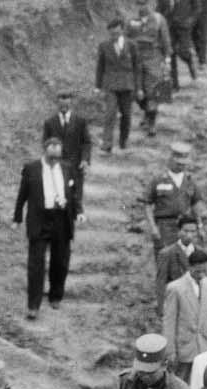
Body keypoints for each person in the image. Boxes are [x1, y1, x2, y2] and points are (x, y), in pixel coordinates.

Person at [14, 136, 85, 320]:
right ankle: (33, 305)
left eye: (57, 156)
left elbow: (74, 194)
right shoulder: (31, 168)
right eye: (51, 156)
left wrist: (78, 211)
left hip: (61, 220)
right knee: (36, 263)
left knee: (60, 260)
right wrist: (17, 217)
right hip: (40, 220)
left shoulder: (67, 168)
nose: (54, 160)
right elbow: (22, 194)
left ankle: (55, 295)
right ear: (45, 151)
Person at [160, 249, 207, 383]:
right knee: (182, 384)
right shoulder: (175, 288)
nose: (201, 274)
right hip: (185, 349)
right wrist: (170, 351)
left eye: (204, 270)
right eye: (198, 271)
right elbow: (169, 322)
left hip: (206, 346)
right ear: (190, 267)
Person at [94, 18, 143, 156]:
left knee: (126, 115)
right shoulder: (104, 46)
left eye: (116, 33)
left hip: (127, 86)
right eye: (111, 34)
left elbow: (137, 68)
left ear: (122, 30)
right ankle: (107, 144)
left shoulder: (131, 45)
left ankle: (123, 141)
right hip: (111, 86)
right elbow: (100, 67)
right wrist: (97, 86)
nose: (114, 36)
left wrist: (139, 88)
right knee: (110, 114)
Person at [126, 0, 171, 138]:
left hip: (154, 58)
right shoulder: (131, 20)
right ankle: (146, 112)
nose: (142, 6)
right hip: (136, 59)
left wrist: (167, 59)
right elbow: (125, 39)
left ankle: (152, 122)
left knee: (152, 91)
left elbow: (165, 40)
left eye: (144, 3)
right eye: (139, 4)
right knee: (138, 92)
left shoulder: (158, 19)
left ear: (149, 3)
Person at [156, 0, 201, 89]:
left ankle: (192, 67)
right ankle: (175, 84)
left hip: (184, 26)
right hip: (169, 27)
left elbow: (197, 8)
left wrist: (190, 21)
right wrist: (159, 24)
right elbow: (158, 9)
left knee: (184, 51)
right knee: (171, 53)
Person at [42, 89, 93, 177]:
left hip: (76, 166)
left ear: (71, 103)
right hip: (56, 167)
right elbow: (45, 143)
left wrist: (84, 160)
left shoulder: (80, 121)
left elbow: (86, 143)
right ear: (57, 104)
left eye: (66, 105)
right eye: (61, 105)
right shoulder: (49, 122)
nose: (64, 108)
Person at [155, 213, 199, 311]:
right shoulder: (167, 253)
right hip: (175, 304)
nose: (189, 235)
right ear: (179, 231)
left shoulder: (200, 252)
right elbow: (161, 283)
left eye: (193, 231)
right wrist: (162, 309)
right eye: (186, 231)